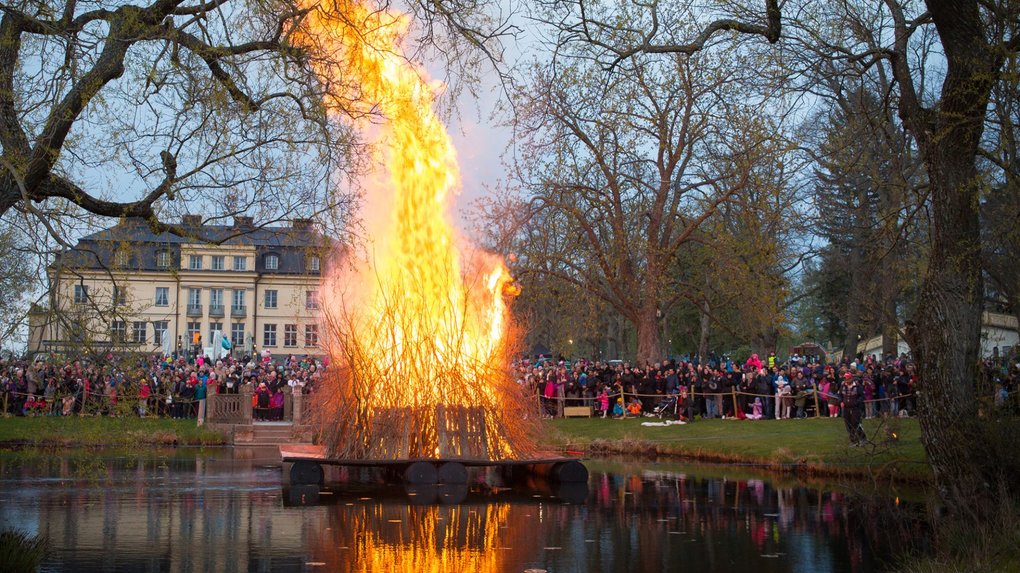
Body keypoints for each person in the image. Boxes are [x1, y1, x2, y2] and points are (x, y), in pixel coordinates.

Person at [841, 373, 867, 446]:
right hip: (846, 408)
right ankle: (853, 441)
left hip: (855, 408)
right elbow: (840, 395)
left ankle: (863, 438)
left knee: (856, 423)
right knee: (848, 424)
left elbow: (862, 397)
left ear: (851, 378)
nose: (846, 380)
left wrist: (856, 402)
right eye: (845, 379)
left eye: (847, 378)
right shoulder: (843, 386)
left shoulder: (858, 386)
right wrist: (841, 401)